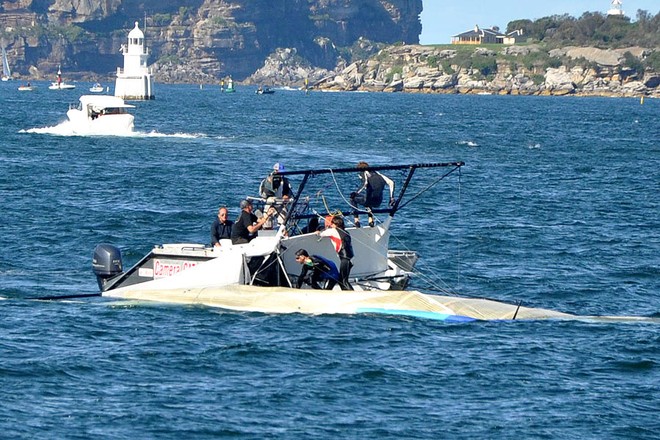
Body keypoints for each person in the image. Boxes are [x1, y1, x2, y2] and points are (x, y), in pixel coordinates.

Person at [350, 161, 395, 227]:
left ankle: (356, 222)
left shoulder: (363, 172)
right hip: (378, 202)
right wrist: (391, 197)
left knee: (352, 199)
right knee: (368, 196)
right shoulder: (378, 174)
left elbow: (365, 183)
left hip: (368, 200)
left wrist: (356, 193)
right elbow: (391, 182)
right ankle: (371, 220)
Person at [316, 215, 354, 290]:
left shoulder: (333, 231)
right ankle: (346, 292)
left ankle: (352, 294)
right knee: (341, 279)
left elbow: (321, 233)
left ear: (335, 225)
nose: (331, 225)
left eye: (332, 223)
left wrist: (318, 232)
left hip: (345, 258)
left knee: (344, 280)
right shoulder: (346, 232)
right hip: (350, 258)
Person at [260, 162, 293, 229]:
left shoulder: (285, 180)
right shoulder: (268, 180)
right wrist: (271, 183)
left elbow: (289, 191)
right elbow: (265, 193)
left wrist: (287, 195)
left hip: (281, 202)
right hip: (271, 202)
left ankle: (283, 232)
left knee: (284, 219)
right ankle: (267, 232)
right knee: (267, 220)